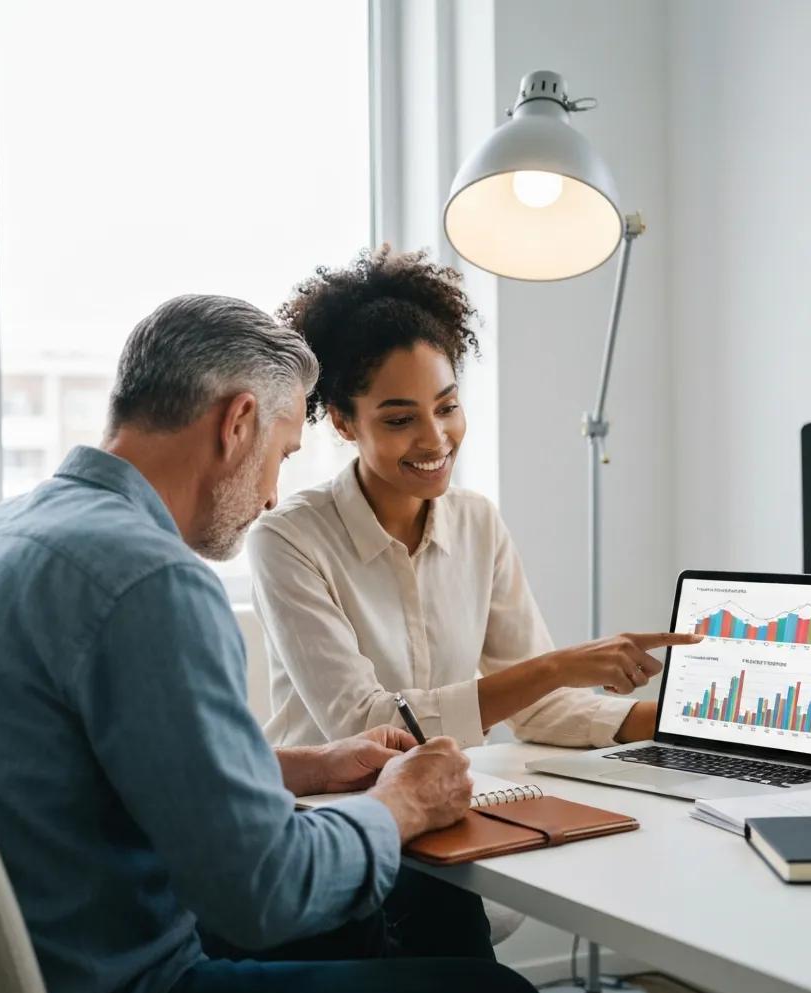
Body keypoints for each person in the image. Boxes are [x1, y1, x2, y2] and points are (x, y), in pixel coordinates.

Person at [0, 295, 547, 993]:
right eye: (280, 454)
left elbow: (82, 766)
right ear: (237, 422)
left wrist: (305, 767)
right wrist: (399, 804)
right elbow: (266, 895)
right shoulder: (150, 577)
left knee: (411, 902)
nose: (274, 493)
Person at [248, 248, 702, 752]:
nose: (435, 438)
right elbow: (365, 725)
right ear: (343, 421)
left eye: (447, 407)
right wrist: (556, 667)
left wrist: (698, 722)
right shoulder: (288, 539)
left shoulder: (477, 523)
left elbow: (544, 708)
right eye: (400, 419)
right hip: (328, 814)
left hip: (446, 802)